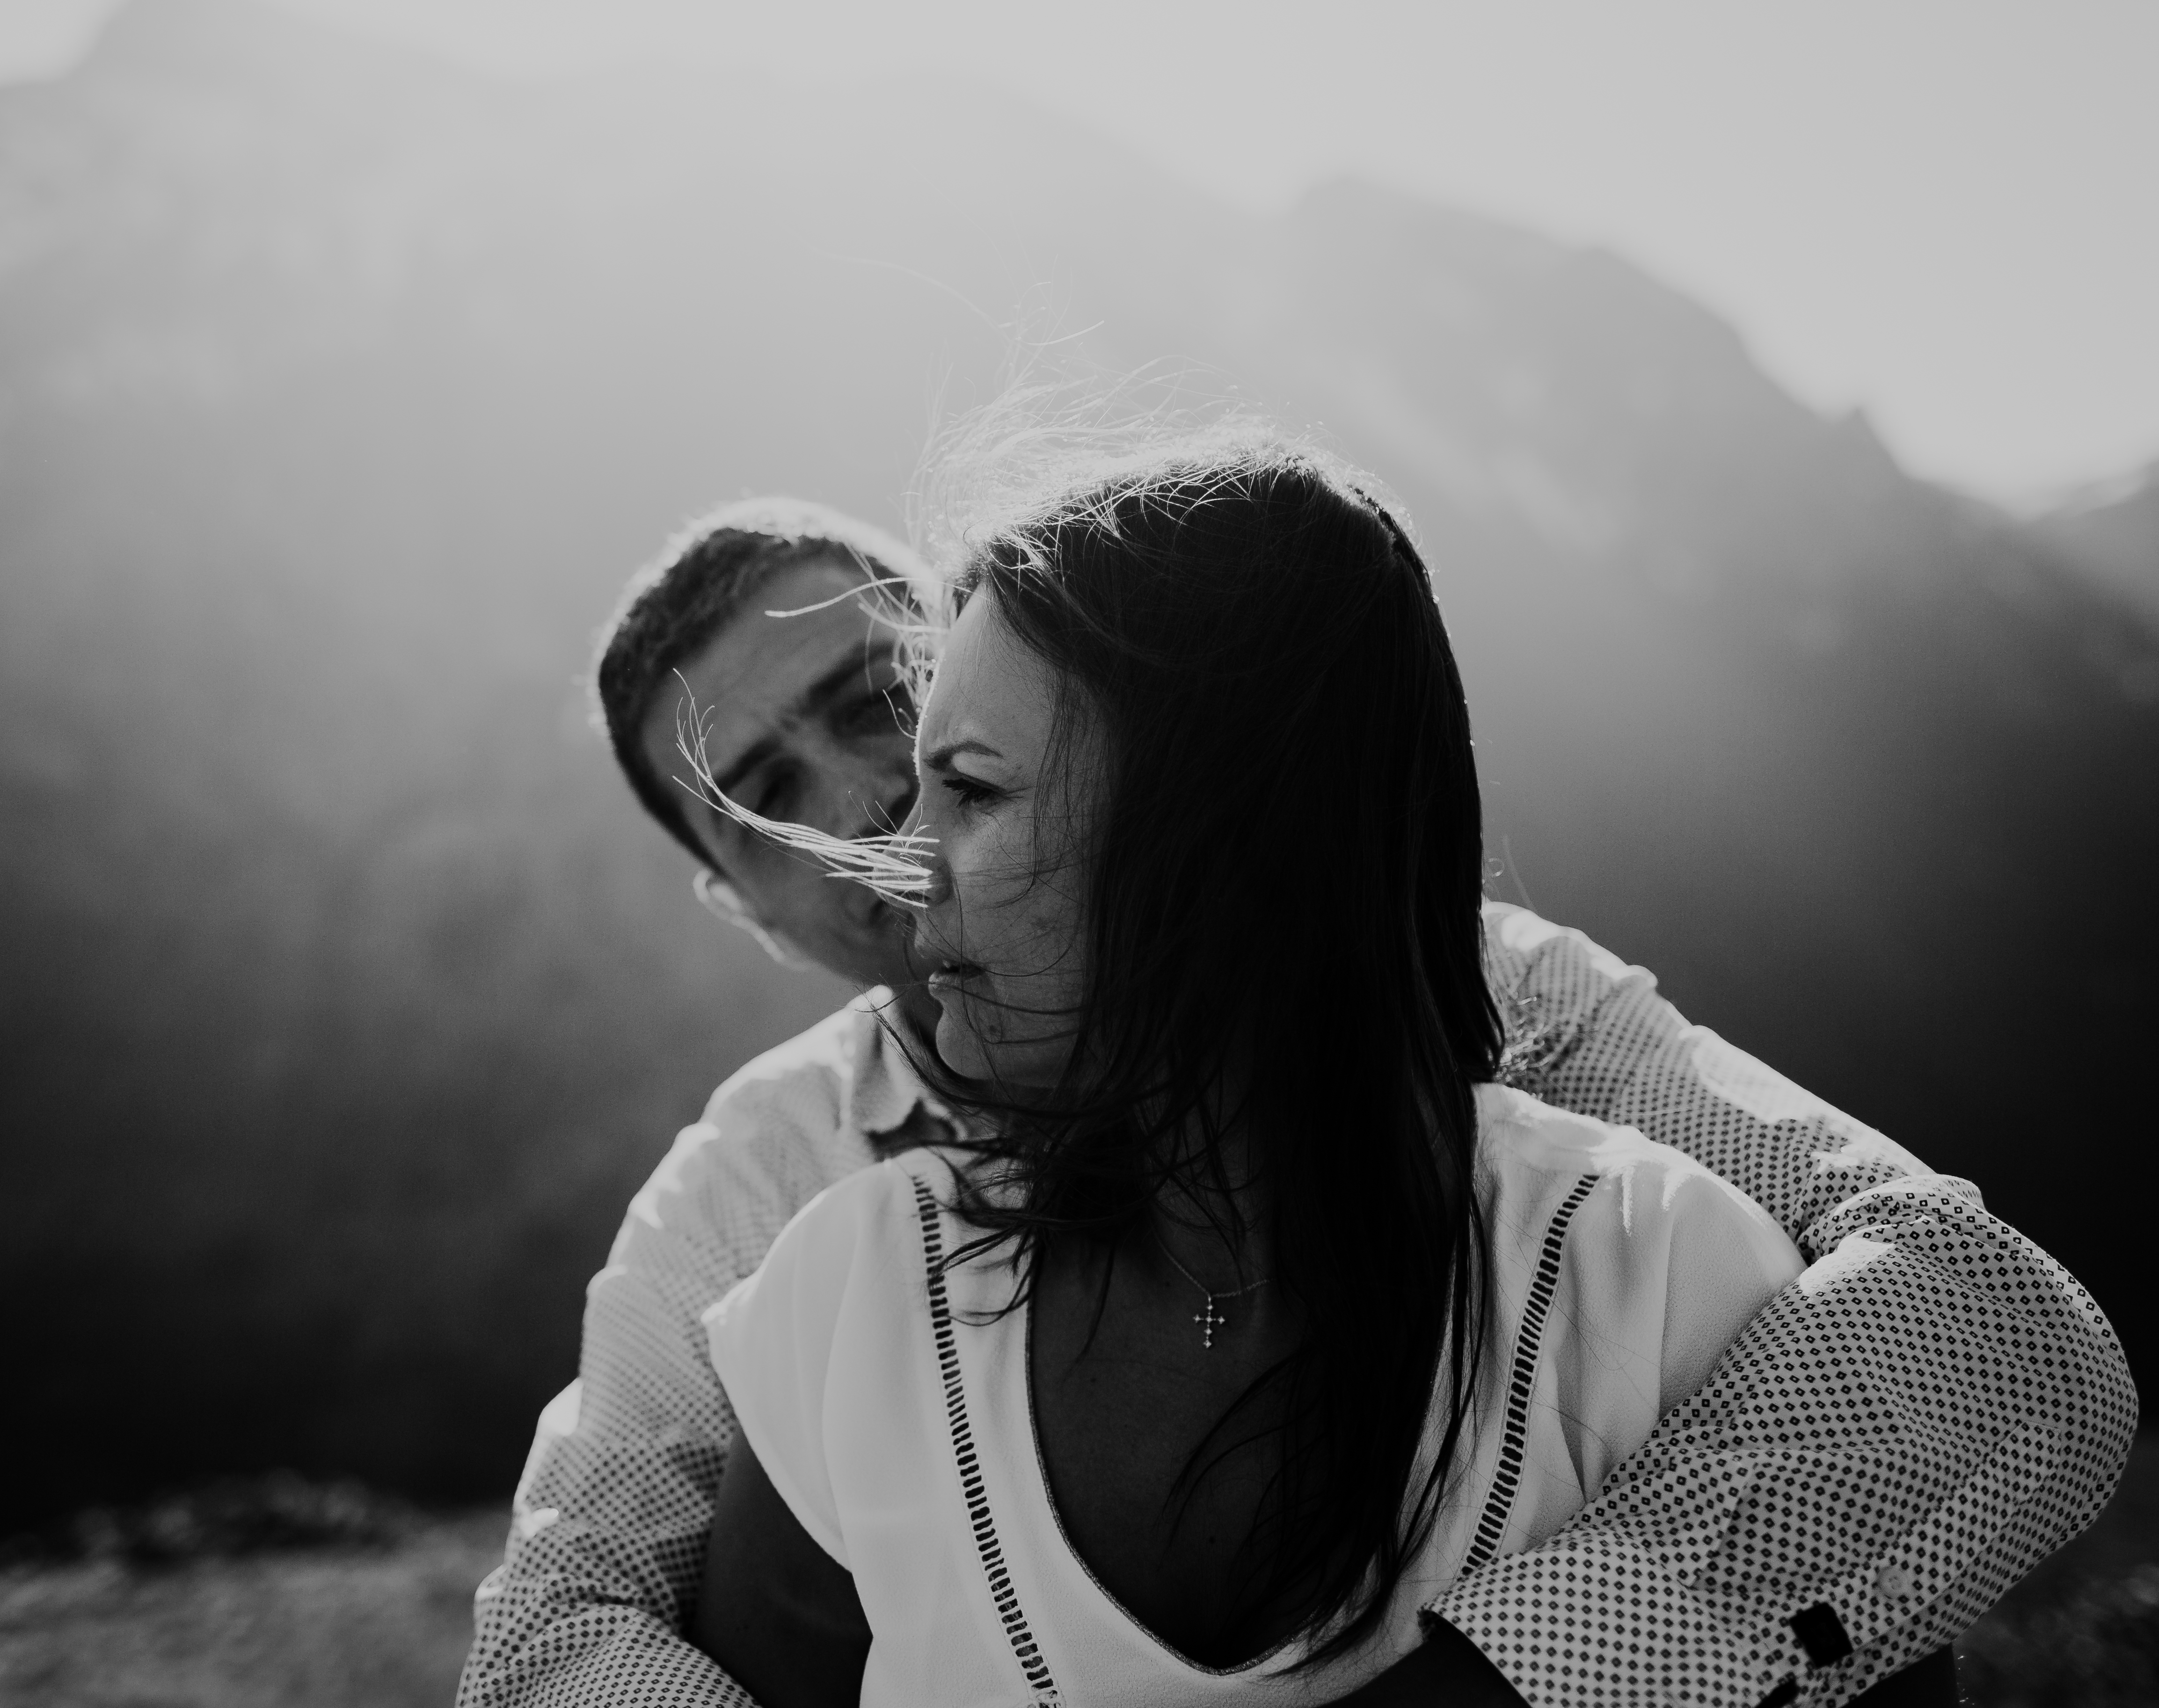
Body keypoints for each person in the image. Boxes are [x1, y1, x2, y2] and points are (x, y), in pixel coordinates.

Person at [456, 485, 2133, 1708]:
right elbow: (552, 1634)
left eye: (884, 704)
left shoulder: (1490, 998)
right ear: (736, 902)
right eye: (759, 801)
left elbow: (1987, 1326)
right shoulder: (764, 1196)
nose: (864, 799)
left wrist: (1515, 1677)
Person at [690, 432, 1812, 1703]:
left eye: (973, 790)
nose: (897, 861)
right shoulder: (845, 1301)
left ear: (1218, 819)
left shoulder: (1664, 1284)